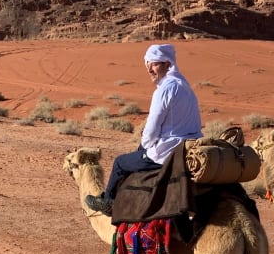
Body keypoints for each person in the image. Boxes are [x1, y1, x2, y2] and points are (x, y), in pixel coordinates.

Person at [85, 43, 203, 216]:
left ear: (168, 64)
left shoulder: (165, 90)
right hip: (190, 148)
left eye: (154, 64)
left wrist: (145, 145)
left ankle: (108, 202)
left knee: (120, 162)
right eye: (147, 64)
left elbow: (152, 129)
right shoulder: (185, 87)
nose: (149, 69)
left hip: (168, 152)